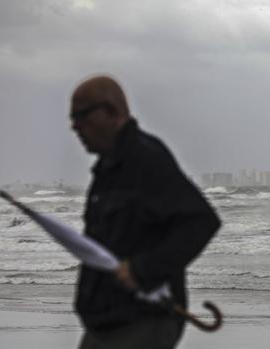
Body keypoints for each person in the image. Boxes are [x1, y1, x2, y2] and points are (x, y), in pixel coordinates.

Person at [69, 75, 221, 349]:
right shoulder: (107, 169)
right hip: (106, 322)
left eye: (82, 116)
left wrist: (143, 270)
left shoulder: (146, 158)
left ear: (112, 112)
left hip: (143, 320)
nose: (75, 127)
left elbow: (200, 221)